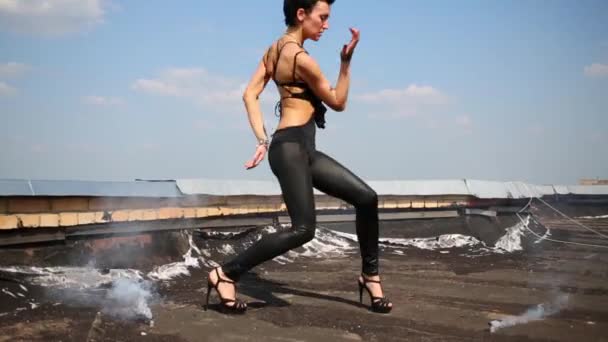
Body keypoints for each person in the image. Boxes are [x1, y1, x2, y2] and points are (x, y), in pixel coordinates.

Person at [205, 0, 392, 314]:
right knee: (303, 229)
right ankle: (225, 273)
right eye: (323, 17)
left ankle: (370, 276)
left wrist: (262, 139)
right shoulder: (302, 59)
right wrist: (346, 64)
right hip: (292, 148)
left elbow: (249, 93)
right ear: (301, 14)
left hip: (298, 148)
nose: (327, 25)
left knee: (366, 197)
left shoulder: (275, 50)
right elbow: (337, 101)